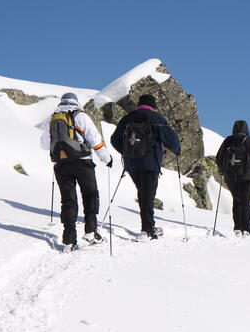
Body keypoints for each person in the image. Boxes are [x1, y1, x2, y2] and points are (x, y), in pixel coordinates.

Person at [40, 92, 113, 249]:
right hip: (82, 162)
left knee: (68, 200)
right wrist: (107, 158)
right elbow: (95, 139)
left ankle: (69, 239)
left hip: (61, 165)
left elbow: (44, 145)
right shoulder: (80, 116)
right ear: (76, 102)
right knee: (90, 195)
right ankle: (91, 231)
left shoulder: (53, 118)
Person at [110, 94, 180, 239]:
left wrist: (126, 152)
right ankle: (147, 230)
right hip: (150, 163)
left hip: (132, 164)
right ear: (153, 106)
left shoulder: (128, 118)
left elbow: (114, 139)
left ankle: (148, 226)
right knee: (148, 195)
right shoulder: (156, 118)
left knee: (143, 193)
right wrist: (177, 149)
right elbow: (171, 139)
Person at [216, 120, 250, 237]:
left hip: (231, 176)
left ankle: (238, 228)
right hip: (247, 176)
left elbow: (219, 157)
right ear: (246, 129)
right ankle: (247, 230)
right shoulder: (249, 141)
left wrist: (223, 171)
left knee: (237, 201)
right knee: (245, 203)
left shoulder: (228, 141)